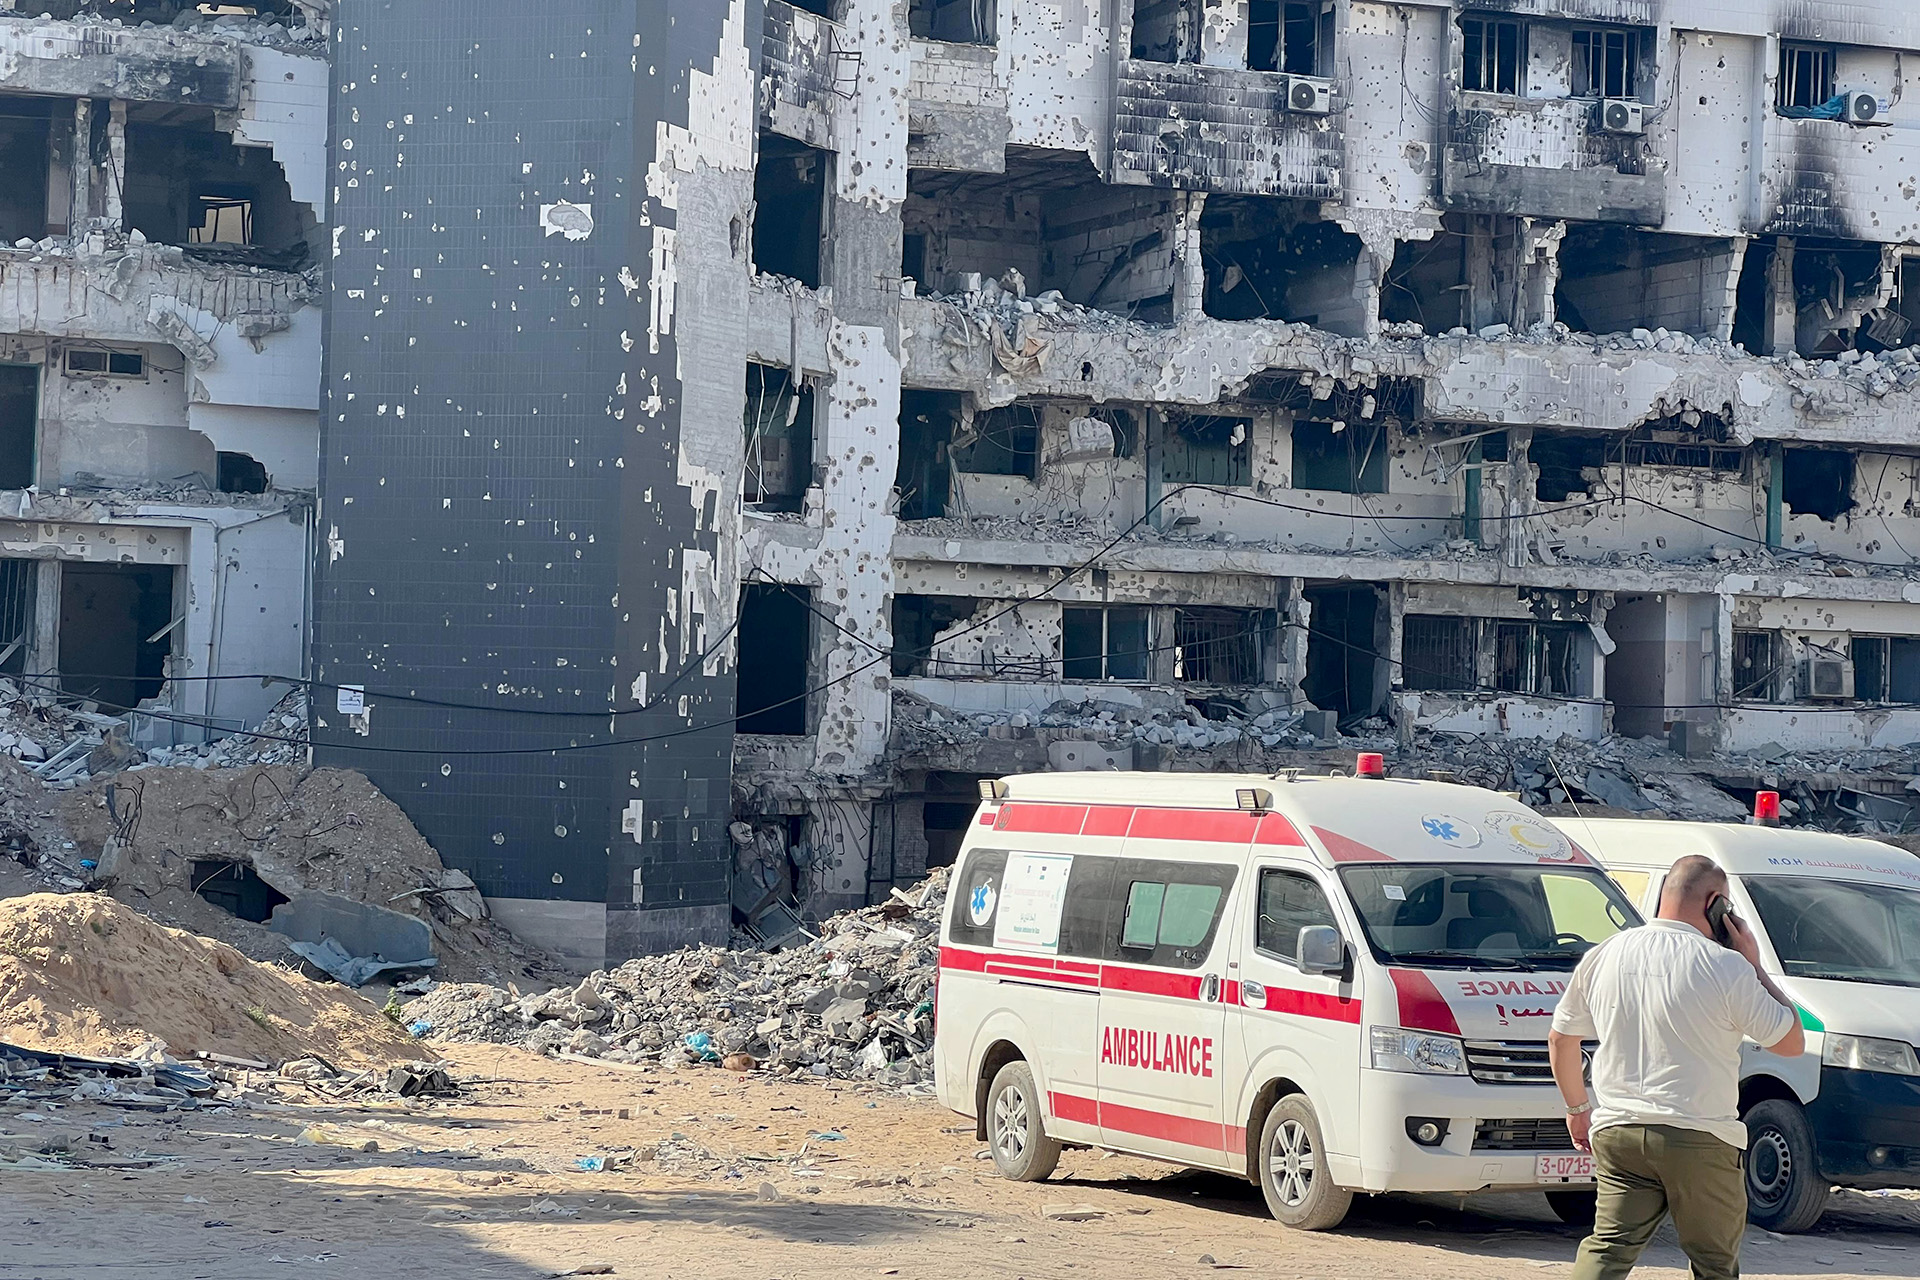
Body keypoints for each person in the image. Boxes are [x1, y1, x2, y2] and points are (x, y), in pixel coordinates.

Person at [1549, 854, 1804, 1280]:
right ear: (1716, 904)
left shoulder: (1605, 953)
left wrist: (1577, 1110)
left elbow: (1561, 1039)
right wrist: (1756, 965)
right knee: (1713, 1264)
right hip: (1699, 1136)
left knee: (1608, 1249)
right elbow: (1791, 1042)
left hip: (1619, 1131)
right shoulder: (1726, 966)